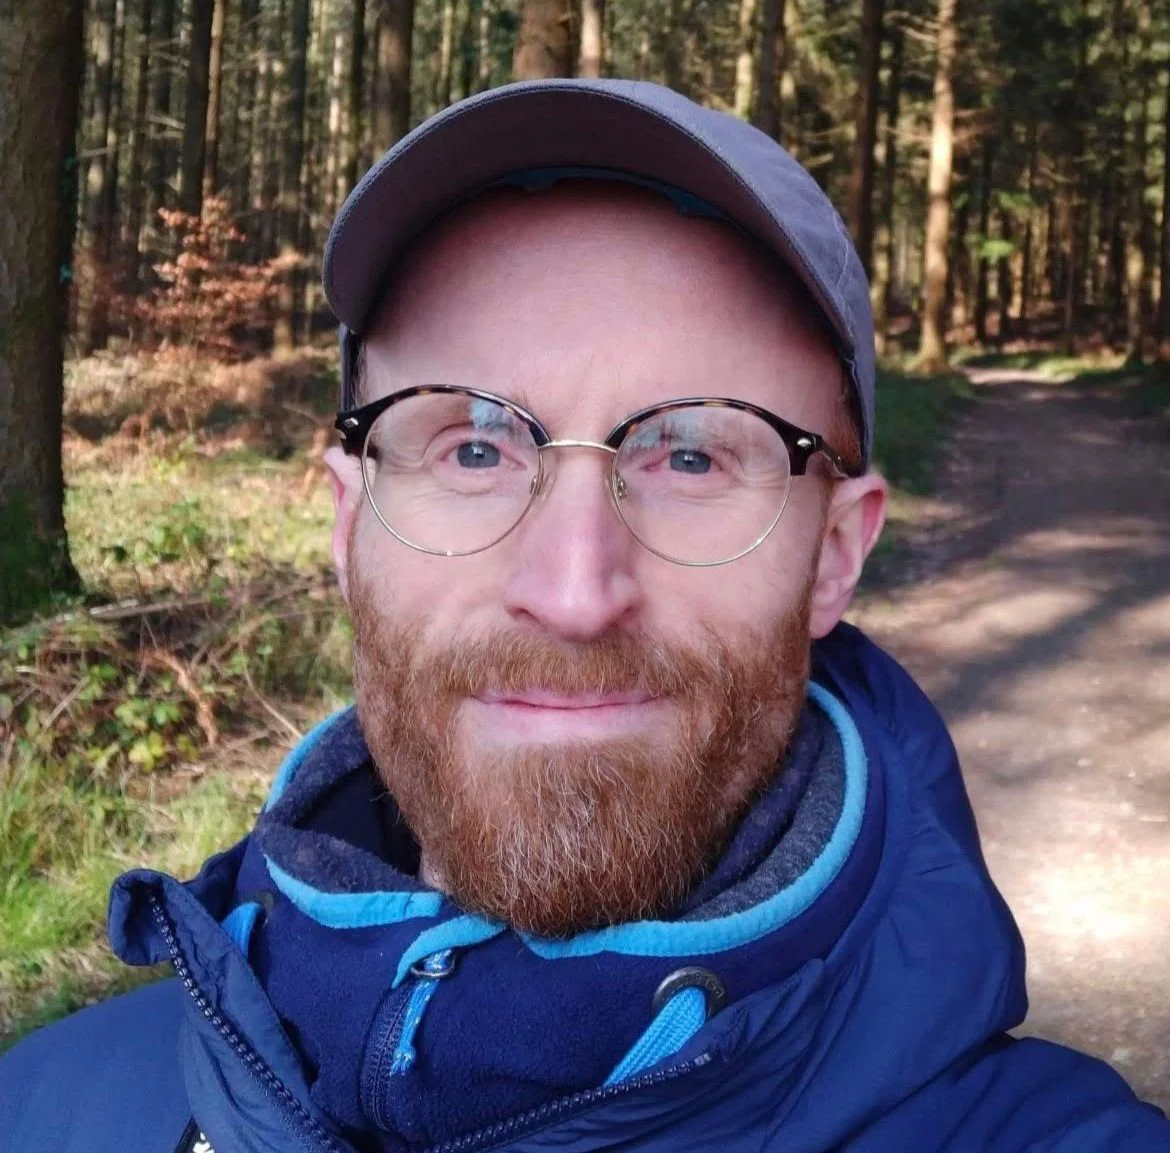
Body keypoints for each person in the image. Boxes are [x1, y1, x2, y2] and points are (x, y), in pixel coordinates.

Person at [2, 78, 1167, 1153]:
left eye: (694, 456)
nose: (572, 592)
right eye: (471, 448)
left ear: (835, 554)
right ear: (350, 526)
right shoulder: (44, 1109)